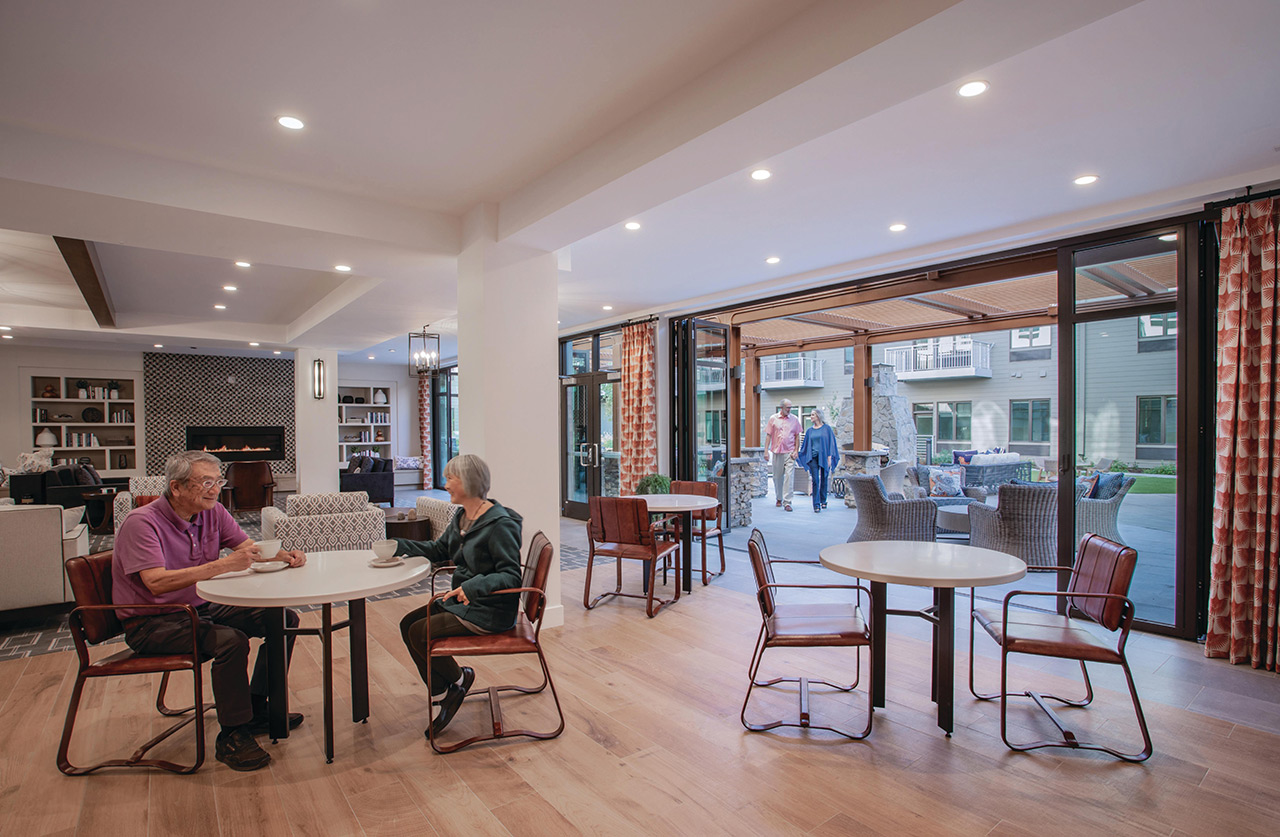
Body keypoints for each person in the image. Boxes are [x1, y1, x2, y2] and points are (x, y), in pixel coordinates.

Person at [112, 451, 307, 772]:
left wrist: (283, 555)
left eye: (218, 481)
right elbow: (156, 583)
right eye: (205, 482)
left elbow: (247, 550)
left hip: (199, 607)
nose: (215, 489)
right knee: (230, 641)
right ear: (176, 488)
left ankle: (255, 708)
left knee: (282, 619)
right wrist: (221, 565)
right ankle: (232, 734)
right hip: (151, 622)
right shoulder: (142, 523)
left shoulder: (213, 512)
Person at [394, 454, 523, 738]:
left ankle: (451, 688)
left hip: (488, 610)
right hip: (464, 603)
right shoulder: (462, 516)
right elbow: (439, 550)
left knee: (420, 632)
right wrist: (396, 545)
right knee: (407, 625)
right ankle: (452, 685)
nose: (446, 484)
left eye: (450, 478)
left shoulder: (501, 523)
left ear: (469, 482)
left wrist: (471, 587)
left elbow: (512, 575)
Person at [797, 407, 839, 512]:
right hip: (813, 458)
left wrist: (830, 457)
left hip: (824, 457)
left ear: (818, 416)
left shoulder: (827, 429)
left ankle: (823, 500)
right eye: (811, 415)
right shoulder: (809, 431)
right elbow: (805, 445)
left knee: (824, 478)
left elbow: (831, 443)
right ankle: (816, 504)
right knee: (815, 480)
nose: (811, 417)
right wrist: (797, 454)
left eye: (813, 415)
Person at [764, 399, 802, 511]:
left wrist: (796, 451)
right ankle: (779, 497)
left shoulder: (794, 420)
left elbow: (797, 436)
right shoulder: (773, 419)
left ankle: (787, 502)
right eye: (787, 408)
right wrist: (766, 451)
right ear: (781, 408)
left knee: (789, 477)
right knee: (777, 477)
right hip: (777, 452)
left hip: (789, 452)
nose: (789, 410)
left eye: (790, 407)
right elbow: (768, 436)